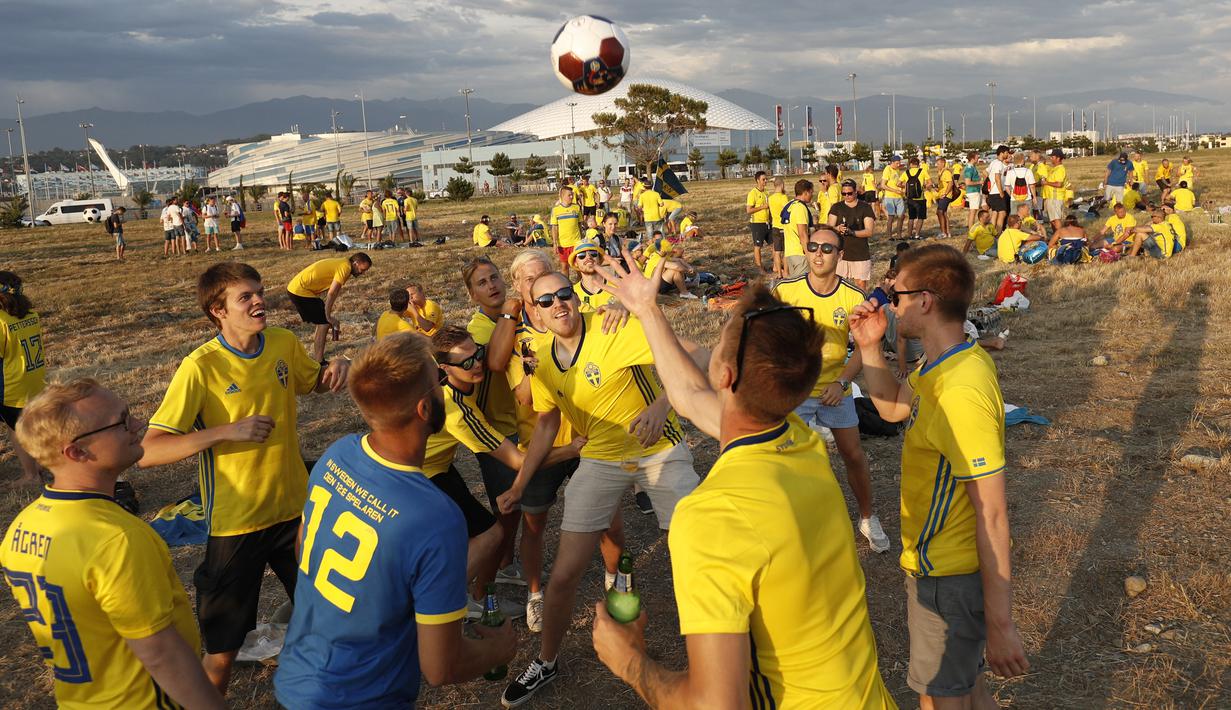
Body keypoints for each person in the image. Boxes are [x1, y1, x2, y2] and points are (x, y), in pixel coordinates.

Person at [590, 252, 898, 709]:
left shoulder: (711, 517)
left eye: (718, 341)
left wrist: (629, 661)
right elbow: (690, 397)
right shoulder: (799, 440)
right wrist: (647, 311)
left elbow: (715, 704)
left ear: (726, 374)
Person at [139, 262, 351, 695]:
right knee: (221, 649)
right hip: (237, 525)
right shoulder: (200, 367)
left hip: (295, 512)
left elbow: (312, 383)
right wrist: (224, 431)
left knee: (330, 620)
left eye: (259, 292)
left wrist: (340, 364)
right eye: (245, 297)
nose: (259, 301)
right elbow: (148, 450)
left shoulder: (282, 342)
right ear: (218, 311)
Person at [273, 333, 516, 708]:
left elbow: (305, 546)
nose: (445, 384)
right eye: (439, 378)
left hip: (295, 680)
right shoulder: (434, 517)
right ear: (424, 409)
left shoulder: (335, 455)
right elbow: (441, 668)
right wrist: (500, 650)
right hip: (364, 697)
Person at [498, 271, 699, 708]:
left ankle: (731, 654)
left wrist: (661, 405)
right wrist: (520, 484)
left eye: (565, 294)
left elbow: (694, 356)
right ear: (534, 311)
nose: (558, 305)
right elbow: (548, 421)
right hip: (602, 459)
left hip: (660, 448)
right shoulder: (543, 361)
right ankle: (546, 662)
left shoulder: (613, 325)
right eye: (545, 300)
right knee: (566, 570)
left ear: (575, 295)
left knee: (698, 555)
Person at [849, 244, 1029, 709]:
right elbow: (891, 408)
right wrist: (870, 345)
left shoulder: (961, 388)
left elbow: (991, 512)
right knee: (966, 688)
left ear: (925, 300)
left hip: (947, 572)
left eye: (898, 294)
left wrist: (1002, 624)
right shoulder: (942, 362)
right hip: (941, 568)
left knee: (939, 699)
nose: (890, 303)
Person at [2, 379, 226, 709]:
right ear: (76, 451)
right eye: (122, 421)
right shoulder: (116, 538)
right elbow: (161, 654)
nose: (139, 425)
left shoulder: (21, 527)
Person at [504, 250, 635, 630]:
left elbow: (612, 313)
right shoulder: (516, 335)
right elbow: (526, 397)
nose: (539, 286)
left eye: (544, 275)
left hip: (589, 438)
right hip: (543, 442)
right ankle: (534, 595)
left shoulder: (580, 313)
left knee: (609, 520)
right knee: (535, 523)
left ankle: (615, 582)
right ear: (518, 286)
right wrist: (538, 358)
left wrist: (617, 306)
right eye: (529, 280)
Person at [773, 225, 891, 552]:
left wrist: (842, 383)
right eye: (813, 247)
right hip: (795, 392)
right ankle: (792, 524)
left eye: (828, 249)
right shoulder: (785, 290)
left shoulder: (853, 297)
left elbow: (863, 350)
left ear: (840, 256)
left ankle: (868, 517)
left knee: (853, 454)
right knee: (789, 462)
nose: (819, 254)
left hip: (834, 390)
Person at [1, 271, 46, 486]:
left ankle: (31, 475)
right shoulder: (31, 315)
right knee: (31, 425)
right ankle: (39, 463)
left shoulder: (1, 321)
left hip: (12, 386)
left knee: (17, 430)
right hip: (34, 380)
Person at [286, 253, 373, 362]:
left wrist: (328, 317)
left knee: (323, 323)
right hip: (300, 290)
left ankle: (318, 357)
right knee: (324, 323)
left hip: (300, 289)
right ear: (356, 263)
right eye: (363, 269)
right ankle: (319, 361)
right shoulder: (345, 267)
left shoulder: (344, 263)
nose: (362, 273)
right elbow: (332, 293)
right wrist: (328, 317)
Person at [829, 178, 877, 290]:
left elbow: (869, 231)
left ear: (856, 192)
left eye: (849, 193)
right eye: (844, 194)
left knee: (860, 285)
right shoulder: (836, 207)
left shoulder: (865, 207)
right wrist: (837, 228)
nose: (846, 196)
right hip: (840, 253)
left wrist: (852, 232)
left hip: (860, 253)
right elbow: (829, 228)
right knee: (839, 286)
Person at [782, 178, 816, 278]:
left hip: (790, 253)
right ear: (805, 192)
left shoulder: (790, 205)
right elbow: (802, 234)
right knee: (803, 287)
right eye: (811, 192)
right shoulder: (800, 208)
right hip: (800, 255)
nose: (812, 195)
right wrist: (809, 256)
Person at [550, 187, 583, 277]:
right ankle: (567, 286)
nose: (572, 197)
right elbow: (554, 227)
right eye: (569, 195)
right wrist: (555, 243)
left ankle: (580, 284)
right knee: (564, 267)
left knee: (578, 266)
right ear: (562, 196)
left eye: (572, 194)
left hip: (576, 243)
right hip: (563, 244)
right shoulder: (556, 210)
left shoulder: (576, 207)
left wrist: (582, 239)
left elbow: (580, 225)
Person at [571, 242, 614, 311]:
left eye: (593, 253)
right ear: (575, 263)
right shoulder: (571, 295)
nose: (588, 257)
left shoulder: (618, 286)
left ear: (600, 259)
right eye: (581, 255)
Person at [903, 156, 931, 239]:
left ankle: (909, 235)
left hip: (910, 199)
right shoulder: (922, 171)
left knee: (911, 218)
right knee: (920, 217)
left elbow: (898, 183)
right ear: (918, 164)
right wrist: (924, 186)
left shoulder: (906, 172)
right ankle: (917, 235)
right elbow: (930, 182)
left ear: (910, 164)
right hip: (920, 198)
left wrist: (906, 187)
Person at [768, 175, 790, 278]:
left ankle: (779, 273)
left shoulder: (770, 198)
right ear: (781, 185)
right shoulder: (783, 197)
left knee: (777, 251)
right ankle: (785, 271)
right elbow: (787, 210)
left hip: (775, 226)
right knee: (785, 251)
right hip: (783, 227)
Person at [880, 154, 907, 240]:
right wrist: (895, 190)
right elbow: (883, 185)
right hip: (890, 197)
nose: (898, 165)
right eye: (897, 163)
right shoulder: (887, 169)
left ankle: (899, 235)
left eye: (899, 163)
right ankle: (889, 236)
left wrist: (905, 185)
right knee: (891, 217)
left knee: (901, 216)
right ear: (892, 162)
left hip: (899, 196)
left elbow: (897, 183)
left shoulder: (898, 170)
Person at [986, 145, 1011, 231]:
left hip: (992, 192)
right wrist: (1001, 192)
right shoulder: (999, 164)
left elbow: (985, 172)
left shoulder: (993, 162)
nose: (1007, 155)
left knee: (995, 213)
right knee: (1002, 213)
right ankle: (998, 233)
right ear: (1001, 153)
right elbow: (997, 178)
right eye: (1006, 153)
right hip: (997, 192)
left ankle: (992, 233)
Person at [1042, 149, 1068, 232]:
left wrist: (1046, 182)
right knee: (1052, 220)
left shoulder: (1060, 169)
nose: (1051, 158)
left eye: (1052, 157)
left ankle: (1060, 237)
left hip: (1056, 198)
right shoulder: (1054, 168)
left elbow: (1059, 184)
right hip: (1050, 197)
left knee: (1056, 219)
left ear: (1058, 158)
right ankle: (1056, 236)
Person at [1004, 152, 1036, 217]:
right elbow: (1032, 186)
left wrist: (1012, 195)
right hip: (1027, 198)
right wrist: (1034, 197)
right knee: (1028, 217)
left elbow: (1007, 187)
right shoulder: (1028, 171)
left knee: (1015, 218)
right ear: (1022, 160)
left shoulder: (1010, 172)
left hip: (1014, 198)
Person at [934, 157, 957, 239]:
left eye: (938, 164)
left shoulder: (946, 172)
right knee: (943, 213)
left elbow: (950, 183)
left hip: (946, 196)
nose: (937, 165)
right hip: (941, 194)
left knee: (939, 212)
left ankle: (943, 232)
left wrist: (945, 193)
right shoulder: (940, 172)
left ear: (943, 163)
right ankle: (947, 232)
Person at [962, 152, 984, 229]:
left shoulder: (972, 167)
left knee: (976, 210)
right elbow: (967, 182)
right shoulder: (969, 169)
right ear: (972, 158)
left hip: (975, 191)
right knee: (973, 211)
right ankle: (971, 229)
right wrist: (979, 182)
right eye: (977, 157)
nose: (978, 159)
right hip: (973, 191)